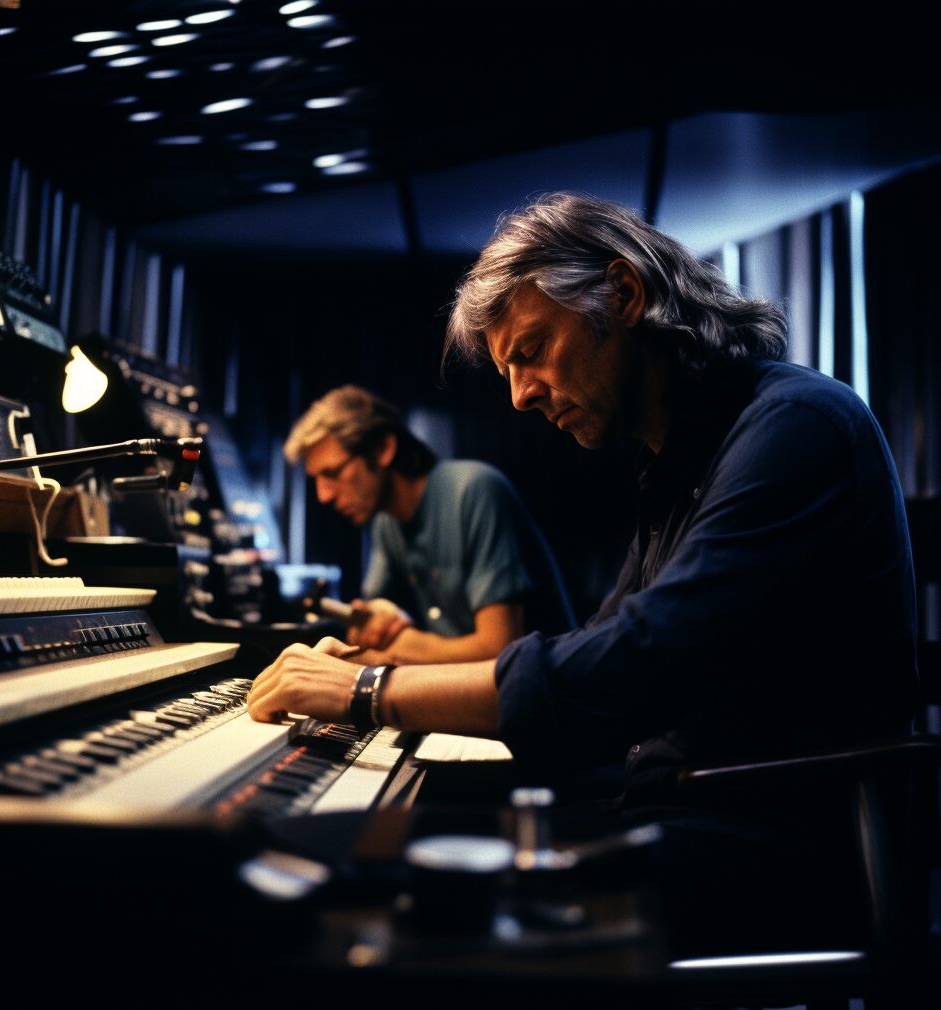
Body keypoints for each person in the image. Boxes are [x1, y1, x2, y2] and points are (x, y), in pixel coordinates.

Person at [252, 193, 918, 795]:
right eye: (508, 371)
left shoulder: (796, 425)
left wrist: (370, 688)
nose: (519, 396)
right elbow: (603, 640)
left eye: (532, 350)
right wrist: (371, 669)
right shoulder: (676, 460)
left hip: (769, 831)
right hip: (684, 790)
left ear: (623, 294)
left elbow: (637, 660)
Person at [283, 384, 576, 665]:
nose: (323, 495)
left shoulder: (473, 489)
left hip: (552, 704)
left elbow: (501, 649)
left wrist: (402, 646)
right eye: (317, 481)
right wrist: (380, 616)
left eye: (332, 473)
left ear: (384, 448)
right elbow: (377, 618)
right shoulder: (386, 523)